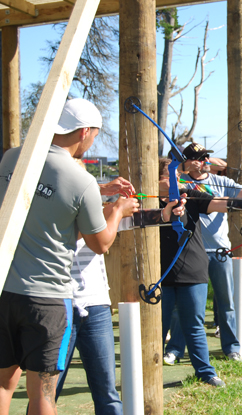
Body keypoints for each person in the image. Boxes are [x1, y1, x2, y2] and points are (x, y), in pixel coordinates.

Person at [0, 98, 139, 415]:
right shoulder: (80, 180)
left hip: (5, 291)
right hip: (48, 300)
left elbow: (38, 200)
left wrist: (98, 192)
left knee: (4, 384)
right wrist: (117, 210)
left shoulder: (11, 159)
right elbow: (100, 243)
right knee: (43, 396)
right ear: (85, 131)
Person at [157, 158, 242, 384]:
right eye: (171, 176)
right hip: (158, 274)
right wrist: (166, 208)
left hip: (192, 270)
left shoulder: (191, 196)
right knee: (156, 327)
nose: (177, 180)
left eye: (177, 175)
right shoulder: (144, 201)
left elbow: (222, 203)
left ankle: (206, 372)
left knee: (194, 324)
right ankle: (147, 371)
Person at [52, 170, 135, 415]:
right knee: (48, 390)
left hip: (96, 304)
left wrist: (169, 211)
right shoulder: (50, 213)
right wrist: (116, 210)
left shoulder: (97, 210)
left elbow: (139, 218)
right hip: (59, 303)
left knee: (107, 392)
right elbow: (98, 242)